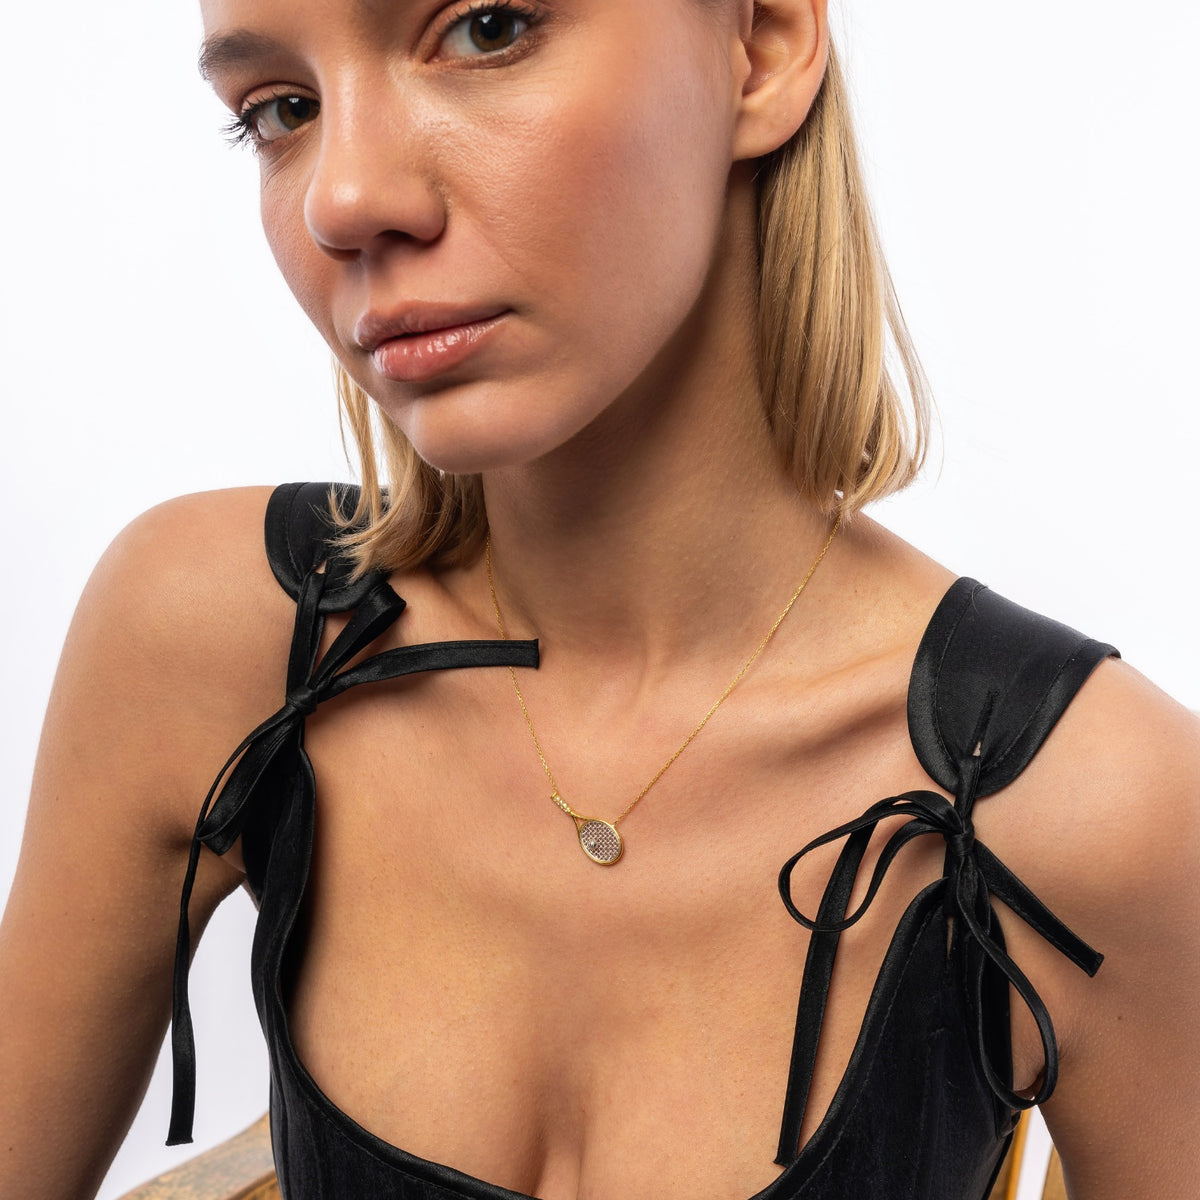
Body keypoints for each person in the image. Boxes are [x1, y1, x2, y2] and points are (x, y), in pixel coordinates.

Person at [1, 1, 1197, 1198]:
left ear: (762, 45)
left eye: (486, 28)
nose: (343, 199)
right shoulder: (209, 642)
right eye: (281, 110)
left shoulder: (1096, 808)